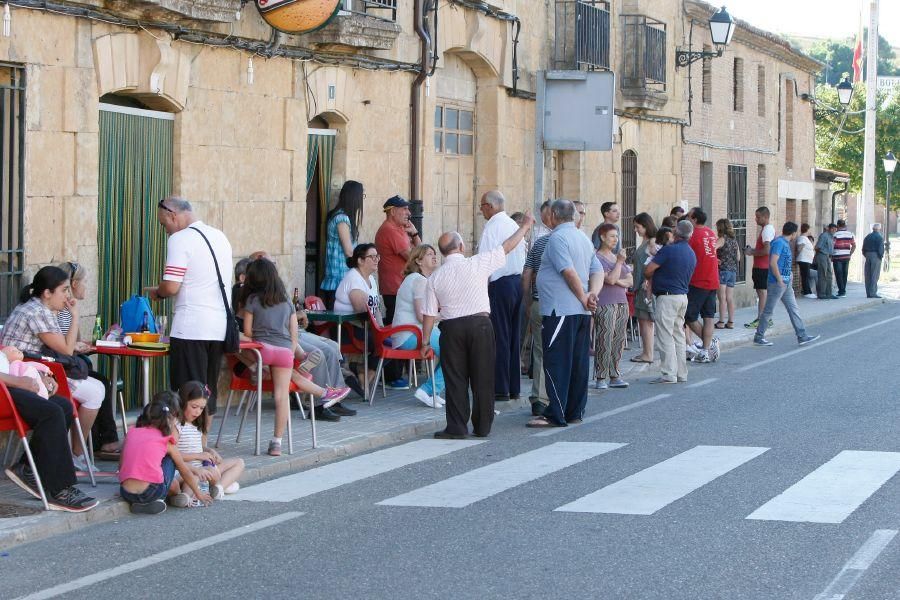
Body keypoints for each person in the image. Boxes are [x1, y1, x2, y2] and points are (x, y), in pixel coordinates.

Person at [422, 216, 534, 438]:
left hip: (451, 328)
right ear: (461, 247)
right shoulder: (477, 262)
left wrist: (425, 341)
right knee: (483, 377)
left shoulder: (435, 277)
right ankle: (482, 426)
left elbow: (428, 314)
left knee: (455, 379)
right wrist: (524, 227)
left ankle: (456, 427)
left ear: (442, 252)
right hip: (480, 325)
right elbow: (507, 246)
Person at [0, 266, 106, 473]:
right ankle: (75, 455)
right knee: (96, 391)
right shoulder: (38, 312)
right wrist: (75, 314)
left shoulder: (37, 307)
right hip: (22, 374)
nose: (68, 295)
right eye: (64, 290)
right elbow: (66, 350)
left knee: (97, 385)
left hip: (32, 368)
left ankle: (65, 457)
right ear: (47, 293)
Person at [241, 259, 350, 456]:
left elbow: (248, 332)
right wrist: (292, 353)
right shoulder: (286, 302)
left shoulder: (252, 300)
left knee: (237, 342)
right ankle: (277, 443)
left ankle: (258, 369)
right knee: (282, 397)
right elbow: (293, 334)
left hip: (262, 350)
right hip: (284, 352)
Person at [149, 196, 233, 424]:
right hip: (218, 327)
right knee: (208, 390)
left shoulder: (180, 239)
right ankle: (203, 445)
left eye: (163, 224)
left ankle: (189, 449)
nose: (165, 230)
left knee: (187, 393)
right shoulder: (220, 236)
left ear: (172, 215)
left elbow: (172, 285)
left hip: (191, 327)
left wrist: (158, 292)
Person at [526, 200, 602, 428]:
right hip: (580, 312)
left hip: (560, 309)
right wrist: (592, 295)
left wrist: (583, 297)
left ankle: (555, 413)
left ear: (554, 215)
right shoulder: (582, 238)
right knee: (578, 363)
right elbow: (596, 270)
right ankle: (574, 411)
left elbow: (567, 271)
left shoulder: (557, 238)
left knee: (557, 361)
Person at [2, 355, 99, 512]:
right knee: (51, 413)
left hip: (11, 382)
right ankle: (59, 489)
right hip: (5, 389)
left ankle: (28, 469)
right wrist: (21, 382)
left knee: (64, 406)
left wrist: (42, 375)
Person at [56, 261, 121, 460]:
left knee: (100, 380)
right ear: (73, 285)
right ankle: (96, 445)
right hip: (59, 369)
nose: (87, 286)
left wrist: (87, 344)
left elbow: (69, 342)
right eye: (84, 281)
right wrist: (77, 346)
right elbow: (64, 346)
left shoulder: (67, 311)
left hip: (65, 364)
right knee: (100, 383)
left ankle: (102, 441)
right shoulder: (64, 312)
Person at [118, 391, 212, 514]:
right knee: (171, 459)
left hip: (125, 492)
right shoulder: (166, 441)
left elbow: (121, 465)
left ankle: (140, 505)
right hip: (151, 491)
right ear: (170, 419)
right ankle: (160, 498)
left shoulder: (131, 433)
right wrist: (199, 493)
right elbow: (184, 471)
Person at [478, 190, 527, 402]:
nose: (481, 211)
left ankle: (501, 387)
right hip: (516, 282)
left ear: (490, 206)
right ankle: (514, 386)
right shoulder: (512, 225)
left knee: (500, 336)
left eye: (482, 206)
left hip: (501, 283)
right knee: (514, 335)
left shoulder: (493, 227)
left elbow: (485, 261)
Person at [392, 245, 446, 408]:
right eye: (429, 254)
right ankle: (428, 389)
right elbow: (422, 316)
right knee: (456, 350)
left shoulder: (419, 279)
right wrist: (445, 315)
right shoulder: (419, 280)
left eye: (434, 253)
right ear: (418, 261)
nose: (434, 256)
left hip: (410, 333)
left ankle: (433, 391)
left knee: (451, 351)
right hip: (410, 334)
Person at [644, 220, 697, 384]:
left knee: (665, 335)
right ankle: (681, 373)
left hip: (667, 297)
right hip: (682, 296)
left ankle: (668, 373)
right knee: (679, 335)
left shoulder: (668, 250)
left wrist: (649, 279)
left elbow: (648, 269)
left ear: (676, 232)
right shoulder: (690, 253)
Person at [753, 222, 821, 347]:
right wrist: (779, 280)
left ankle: (802, 336)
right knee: (768, 310)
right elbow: (773, 262)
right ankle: (759, 337)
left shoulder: (784, 243)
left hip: (785, 283)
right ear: (794, 233)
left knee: (793, 309)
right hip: (777, 283)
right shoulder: (779, 243)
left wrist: (786, 278)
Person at [176, 381, 245, 500]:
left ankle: (219, 488)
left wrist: (210, 451)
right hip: (186, 470)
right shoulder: (177, 426)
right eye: (194, 407)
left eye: (201, 408)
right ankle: (189, 495)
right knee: (201, 475)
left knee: (239, 462)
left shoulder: (196, 425)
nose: (197, 412)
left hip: (202, 467)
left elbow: (198, 448)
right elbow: (174, 455)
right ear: (182, 402)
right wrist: (199, 456)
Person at [522, 201, 553, 416]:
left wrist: (528, 302)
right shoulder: (579, 240)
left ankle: (540, 400)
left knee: (541, 352)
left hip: (539, 303)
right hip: (566, 306)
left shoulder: (540, 243)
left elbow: (527, 275)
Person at [593, 224, 632, 389]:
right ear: (602, 237)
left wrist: (616, 279)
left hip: (622, 302)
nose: (615, 240)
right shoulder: (597, 257)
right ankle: (601, 377)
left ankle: (615, 374)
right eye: (612, 236)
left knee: (618, 340)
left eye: (616, 236)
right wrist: (619, 264)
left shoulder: (616, 257)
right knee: (604, 339)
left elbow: (630, 280)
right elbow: (608, 280)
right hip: (605, 303)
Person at [374, 195, 421, 326]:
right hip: (395, 289)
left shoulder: (399, 229)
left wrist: (415, 234)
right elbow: (418, 257)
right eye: (405, 209)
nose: (409, 213)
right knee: (397, 327)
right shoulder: (390, 230)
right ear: (393, 211)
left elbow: (420, 251)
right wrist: (415, 235)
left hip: (399, 288)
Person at [684, 207, 720, 363]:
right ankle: (705, 350)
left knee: (689, 316)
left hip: (699, 280)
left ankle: (709, 342)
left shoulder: (693, 235)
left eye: (689, 215)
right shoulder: (711, 233)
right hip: (713, 280)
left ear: (694, 219)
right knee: (708, 316)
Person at [321, 180, 364, 307]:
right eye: (362, 196)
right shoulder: (341, 218)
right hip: (340, 278)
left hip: (338, 279)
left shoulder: (339, 216)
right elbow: (349, 251)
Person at [630, 213, 657, 363]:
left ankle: (647, 354)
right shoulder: (646, 242)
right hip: (641, 286)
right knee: (644, 321)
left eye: (637, 227)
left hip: (644, 287)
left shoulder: (651, 243)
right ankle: (647, 352)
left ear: (646, 226)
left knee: (645, 321)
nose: (635, 230)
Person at [743, 206, 775, 329]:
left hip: (762, 267)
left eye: (758, 217)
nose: (756, 219)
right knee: (762, 292)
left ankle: (762, 319)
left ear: (765, 217)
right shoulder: (767, 229)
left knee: (762, 293)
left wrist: (752, 252)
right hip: (762, 266)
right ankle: (767, 318)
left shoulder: (767, 230)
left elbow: (767, 250)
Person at [714, 218, 739, 329]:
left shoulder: (721, 239)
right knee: (730, 297)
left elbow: (711, 249)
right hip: (732, 271)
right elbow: (738, 257)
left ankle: (721, 322)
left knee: (722, 298)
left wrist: (717, 259)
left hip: (722, 270)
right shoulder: (734, 240)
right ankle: (731, 322)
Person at [832, 219, 856, 297]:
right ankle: (843, 290)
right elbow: (854, 245)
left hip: (837, 257)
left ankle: (841, 291)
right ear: (845, 225)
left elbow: (832, 245)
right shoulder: (850, 234)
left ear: (838, 225)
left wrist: (831, 254)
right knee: (844, 274)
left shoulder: (835, 235)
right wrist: (850, 253)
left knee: (838, 274)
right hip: (846, 256)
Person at [815, 223, 838, 299]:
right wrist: (819, 255)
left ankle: (829, 293)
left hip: (828, 256)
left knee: (829, 275)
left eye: (835, 229)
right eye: (833, 229)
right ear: (829, 228)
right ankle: (821, 294)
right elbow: (817, 247)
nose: (834, 231)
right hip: (822, 255)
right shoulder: (824, 235)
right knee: (823, 274)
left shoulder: (831, 237)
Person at [862, 223, 885, 298]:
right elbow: (881, 249)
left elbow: (863, 248)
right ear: (879, 229)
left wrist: (866, 255)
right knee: (874, 274)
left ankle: (868, 293)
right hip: (876, 255)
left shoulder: (867, 237)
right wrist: (880, 256)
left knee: (868, 274)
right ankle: (873, 293)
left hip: (867, 255)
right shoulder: (880, 237)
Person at [796, 223, 816, 299]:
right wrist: (797, 256)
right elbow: (799, 248)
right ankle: (806, 292)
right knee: (805, 276)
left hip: (806, 260)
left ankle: (809, 291)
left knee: (806, 276)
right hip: (803, 260)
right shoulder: (803, 238)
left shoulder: (805, 238)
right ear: (807, 229)